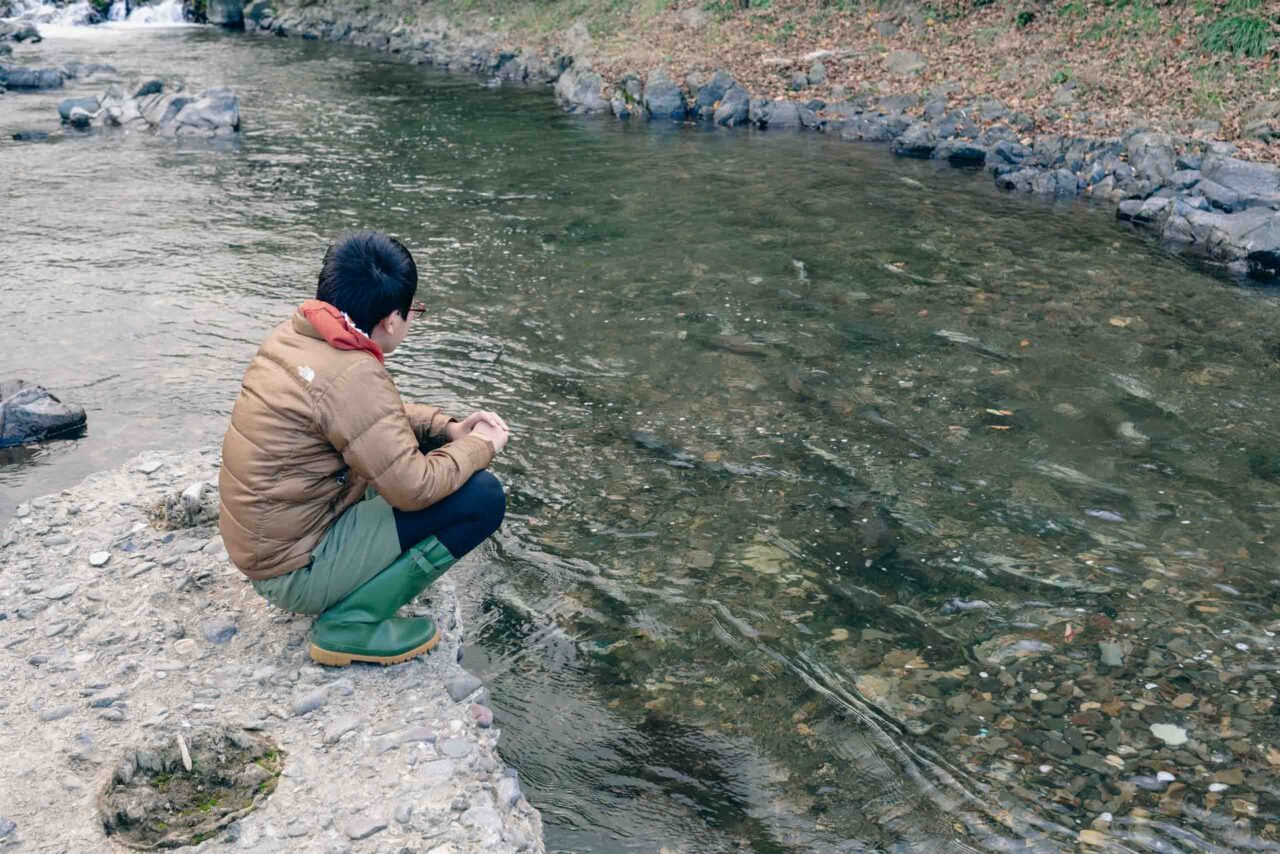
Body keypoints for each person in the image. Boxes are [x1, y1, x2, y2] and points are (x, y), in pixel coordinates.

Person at [218, 231, 510, 667]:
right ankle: (351, 624)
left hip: (269, 546)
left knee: (410, 465)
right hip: (295, 570)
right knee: (481, 497)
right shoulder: (352, 372)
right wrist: (481, 446)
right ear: (392, 319)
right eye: (413, 313)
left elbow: (366, 418)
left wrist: (446, 429)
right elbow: (413, 488)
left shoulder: (297, 336)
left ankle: (362, 587)